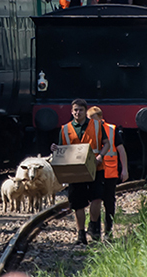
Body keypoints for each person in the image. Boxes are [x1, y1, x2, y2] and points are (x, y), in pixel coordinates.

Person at [50, 98, 107, 244]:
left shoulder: (97, 125)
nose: (77, 112)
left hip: (95, 167)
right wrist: (55, 149)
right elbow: (62, 149)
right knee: (78, 204)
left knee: (97, 198)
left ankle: (93, 225)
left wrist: (100, 156)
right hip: (75, 171)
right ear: (71, 111)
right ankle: (81, 234)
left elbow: (106, 144)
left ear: (85, 111)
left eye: (80, 110)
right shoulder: (65, 129)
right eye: (75, 110)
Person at [87, 106, 129, 241]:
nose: (91, 122)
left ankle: (108, 231)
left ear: (100, 118)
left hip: (110, 173)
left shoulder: (111, 129)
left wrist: (125, 169)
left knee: (109, 203)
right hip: (95, 172)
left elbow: (121, 150)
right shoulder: (88, 130)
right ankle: (96, 231)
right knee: (96, 200)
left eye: (93, 119)